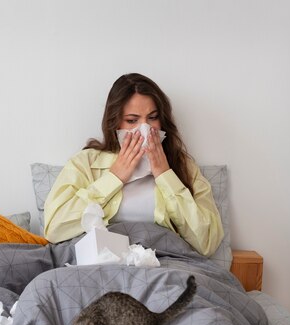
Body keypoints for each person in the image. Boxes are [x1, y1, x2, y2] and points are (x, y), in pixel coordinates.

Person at [43, 73, 224, 257]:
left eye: (152, 117)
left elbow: (207, 242)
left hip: (162, 264)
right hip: (102, 263)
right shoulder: (86, 163)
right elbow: (54, 229)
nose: (145, 129)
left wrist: (164, 175)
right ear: (115, 123)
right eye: (132, 120)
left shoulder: (183, 165)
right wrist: (114, 178)